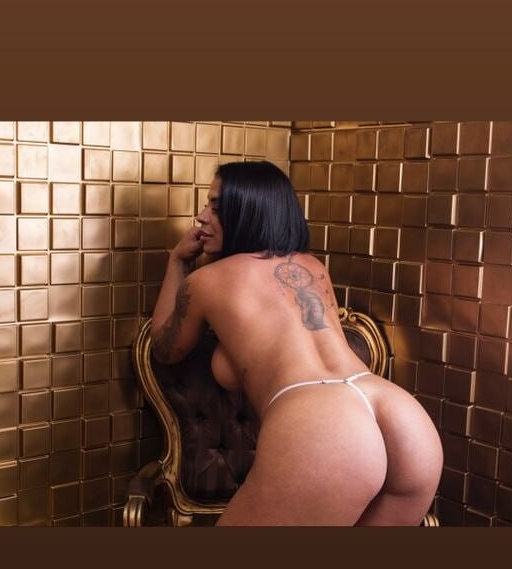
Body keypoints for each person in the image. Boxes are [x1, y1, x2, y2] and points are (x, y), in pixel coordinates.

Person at [150, 160, 443, 525]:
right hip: (401, 418)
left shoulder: (207, 281)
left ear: (249, 211)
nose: (201, 216)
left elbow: (164, 349)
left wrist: (177, 263)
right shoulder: (312, 267)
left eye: (216, 207)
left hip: (328, 430)